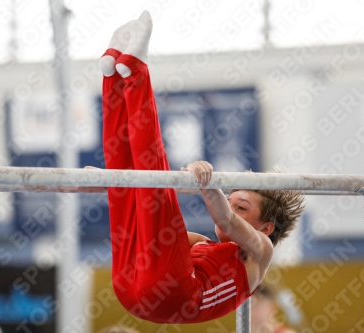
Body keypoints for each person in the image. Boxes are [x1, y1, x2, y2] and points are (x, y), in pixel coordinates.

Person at [98, 10, 305, 324]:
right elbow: (146, 221)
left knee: (156, 184)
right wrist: (105, 180)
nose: (232, 208)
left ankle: (136, 71)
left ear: (265, 228)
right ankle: (113, 75)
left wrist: (208, 186)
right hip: (129, 287)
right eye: (234, 200)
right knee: (131, 188)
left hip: (170, 295)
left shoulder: (259, 253)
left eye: (243, 206)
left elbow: (224, 217)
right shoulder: (203, 246)